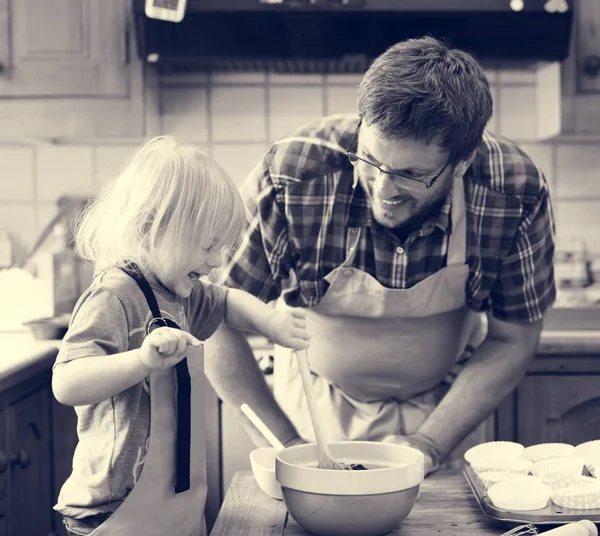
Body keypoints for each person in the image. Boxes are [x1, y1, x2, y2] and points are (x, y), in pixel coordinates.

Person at [204, 36, 556, 475]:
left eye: (412, 175)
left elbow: (513, 339)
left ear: (463, 161)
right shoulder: (294, 176)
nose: (383, 190)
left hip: (448, 410)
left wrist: (430, 442)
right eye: (369, 160)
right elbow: (214, 319)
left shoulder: (511, 189)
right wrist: (291, 447)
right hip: (314, 407)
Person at [51, 136, 310, 536]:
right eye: (207, 245)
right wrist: (141, 361)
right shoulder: (113, 296)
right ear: (151, 227)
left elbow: (226, 301)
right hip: (113, 511)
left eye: (221, 247)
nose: (217, 260)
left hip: (178, 501)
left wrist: (271, 323)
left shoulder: (178, 292)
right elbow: (66, 383)